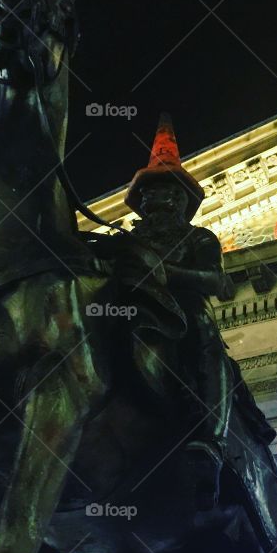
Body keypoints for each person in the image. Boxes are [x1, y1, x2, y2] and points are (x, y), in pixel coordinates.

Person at [109, 115, 235, 504]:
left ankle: (209, 439)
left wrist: (164, 272)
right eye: (145, 194)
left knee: (203, 335)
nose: (149, 199)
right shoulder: (125, 241)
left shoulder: (199, 237)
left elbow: (217, 282)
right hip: (130, 312)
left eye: (159, 191)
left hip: (182, 311)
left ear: (179, 198)